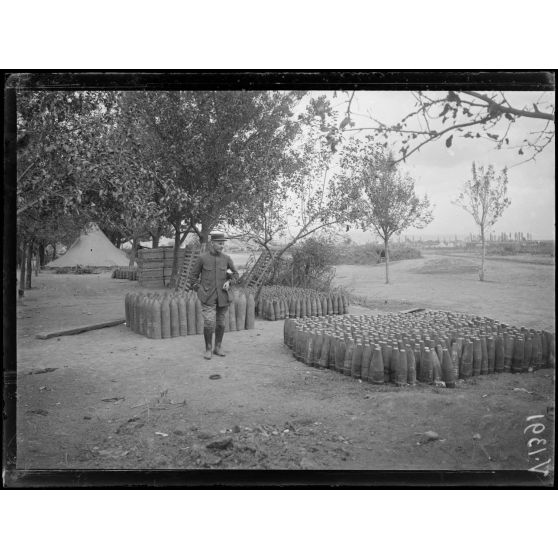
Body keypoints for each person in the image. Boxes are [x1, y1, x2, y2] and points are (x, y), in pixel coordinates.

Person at [190, 231, 239, 360]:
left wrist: (229, 281)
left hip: (223, 297)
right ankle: (208, 349)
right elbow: (193, 277)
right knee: (209, 322)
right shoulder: (202, 258)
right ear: (212, 243)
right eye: (219, 243)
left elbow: (236, 274)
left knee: (221, 323)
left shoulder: (226, 258)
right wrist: (200, 290)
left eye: (223, 243)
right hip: (208, 297)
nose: (222, 246)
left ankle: (218, 347)